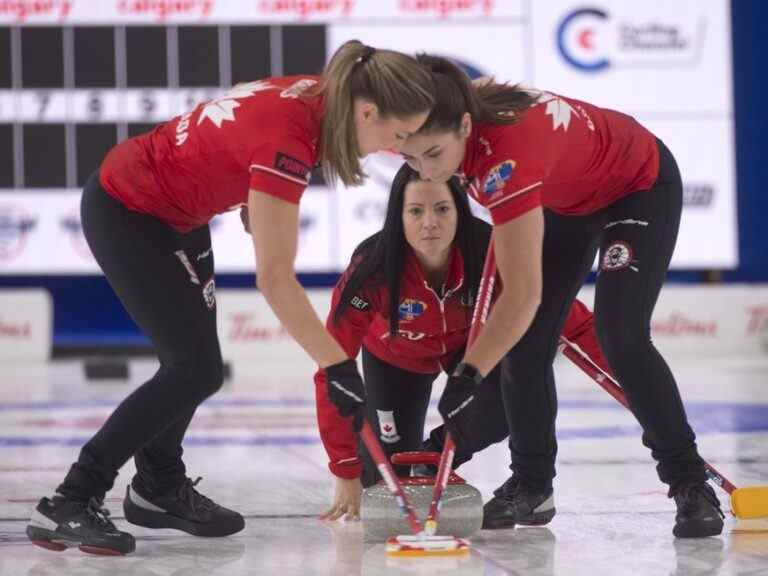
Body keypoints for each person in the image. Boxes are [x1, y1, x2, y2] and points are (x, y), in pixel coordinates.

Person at [25, 41, 435, 556]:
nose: (392, 148)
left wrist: (246, 190)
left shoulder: (320, 95)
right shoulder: (290, 139)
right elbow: (275, 279)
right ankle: (69, 500)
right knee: (194, 369)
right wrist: (337, 365)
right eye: (397, 136)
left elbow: (231, 135)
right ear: (367, 111)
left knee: (194, 363)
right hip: (129, 211)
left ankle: (157, 485)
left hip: (177, 214)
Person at [396, 55, 724, 538]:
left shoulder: (508, 160)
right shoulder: (443, 119)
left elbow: (521, 296)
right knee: (527, 346)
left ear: (466, 126)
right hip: (567, 198)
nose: (425, 171)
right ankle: (533, 484)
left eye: (433, 155)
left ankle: (690, 484)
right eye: (410, 159)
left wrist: (470, 371)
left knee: (621, 336)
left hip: (638, 185)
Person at [315, 163, 611, 522]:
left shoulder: (492, 252)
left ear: (460, 211)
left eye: (442, 209)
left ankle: (436, 454)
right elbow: (332, 370)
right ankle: (377, 459)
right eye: (415, 211)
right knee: (388, 483)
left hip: (469, 352)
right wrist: (344, 467)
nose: (430, 223)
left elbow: (571, 323)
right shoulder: (371, 268)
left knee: (516, 391)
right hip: (394, 358)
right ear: (398, 216)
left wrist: (632, 375)